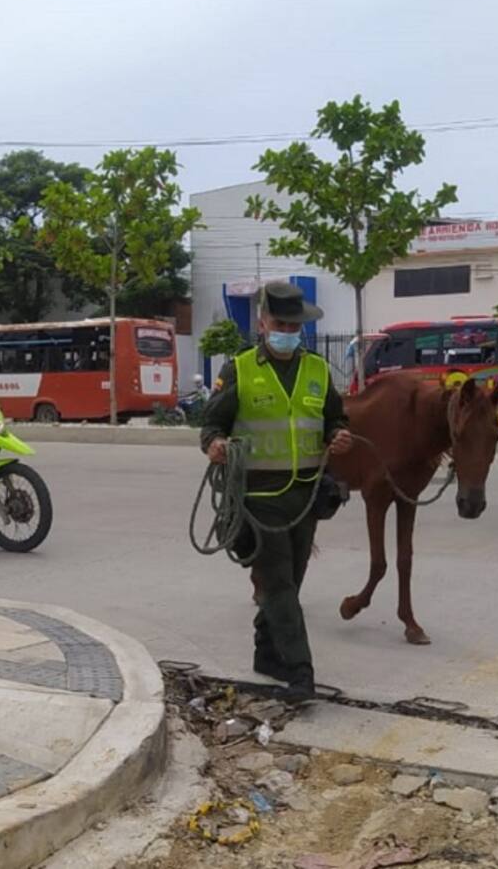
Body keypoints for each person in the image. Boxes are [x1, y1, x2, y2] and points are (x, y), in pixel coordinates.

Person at [200, 282, 352, 701]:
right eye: (279, 323)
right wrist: (213, 445)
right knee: (279, 585)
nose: (287, 329)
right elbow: (212, 425)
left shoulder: (318, 370)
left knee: (289, 581)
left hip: (306, 497)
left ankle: (266, 655)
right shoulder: (239, 369)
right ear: (263, 323)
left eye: (293, 324)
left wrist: (339, 435)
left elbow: (335, 420)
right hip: (259, 498)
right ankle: (302, 673)